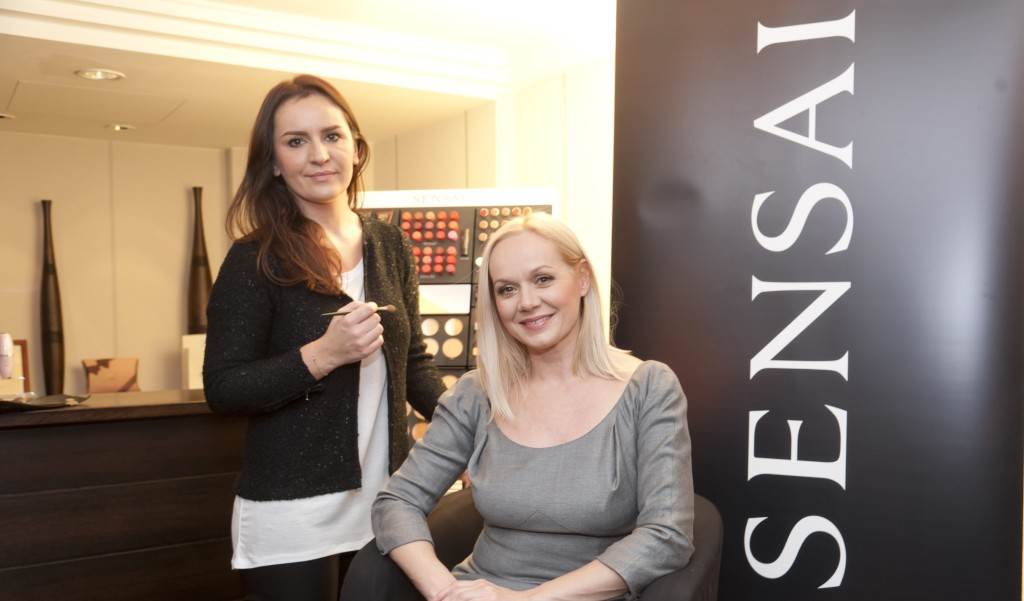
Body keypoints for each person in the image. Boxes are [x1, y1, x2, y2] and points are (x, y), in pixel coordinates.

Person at [364, 212, 694, 601]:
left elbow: (667, 535)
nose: (527, 303)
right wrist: (445, 590)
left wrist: (523, 600)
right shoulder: (478, 393)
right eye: (507, 289)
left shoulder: (649, 387)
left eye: (543, 279)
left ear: (582, 278)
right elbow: (397, 502)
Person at [203, 74, 445, 601]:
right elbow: (223, 388)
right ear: (273, 162)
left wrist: (469, 428)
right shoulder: (254, 259)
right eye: (296, 141)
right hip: (293, 513)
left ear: (356, 148)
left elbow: (413, 365)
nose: (319, 155)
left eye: (332, 136)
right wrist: (321, 355)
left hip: (386, 503)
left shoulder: (389, 244)